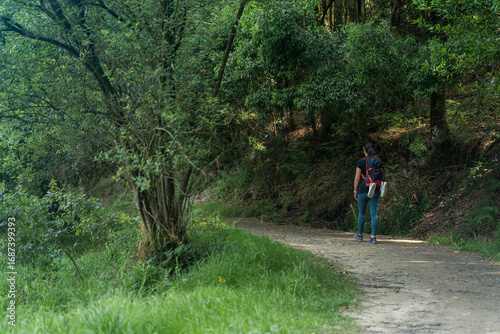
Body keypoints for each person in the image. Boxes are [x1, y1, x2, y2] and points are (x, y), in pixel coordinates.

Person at [353, 142, 382, 244]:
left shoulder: (361, 162)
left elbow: (357, 178)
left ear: (364, 150)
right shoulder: (378, 160)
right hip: (375, 188)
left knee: (362, 213)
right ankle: (373, 237)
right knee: (374, 213)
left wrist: (355, 191)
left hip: (363, 189)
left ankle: (360, 235)